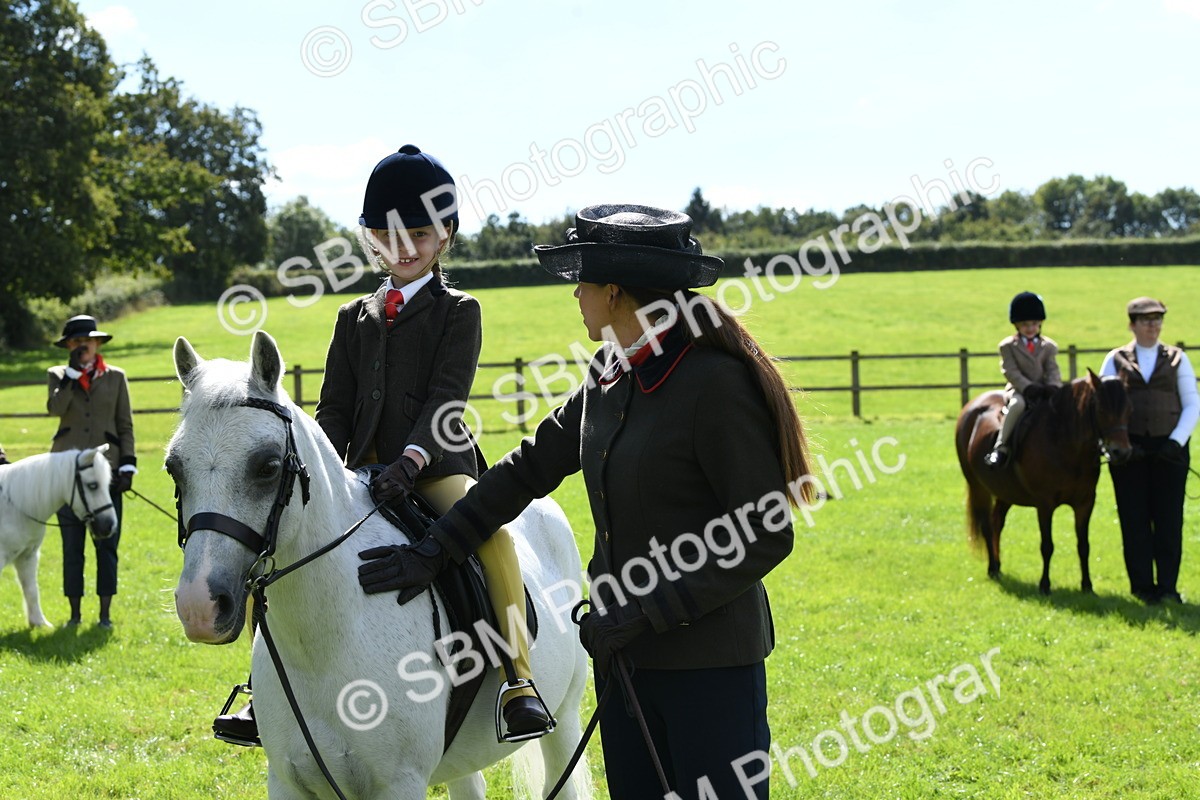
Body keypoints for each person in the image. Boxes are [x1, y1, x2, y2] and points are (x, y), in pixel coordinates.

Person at [357, 204, 813, 798]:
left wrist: (644, 611)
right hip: (625, 663)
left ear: (615, 293)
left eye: (583, 281)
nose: (576, 295)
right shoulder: (608, 374)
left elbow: (767, 532)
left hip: (710, 666)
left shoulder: (714, 384)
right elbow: (524, 470)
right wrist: (436, 548)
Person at [213, 144, 552, 746]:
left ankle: (518, 680)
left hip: (434, 468)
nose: (405, 247)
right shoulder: (352, 316)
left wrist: (412, 460)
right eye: (389, 234)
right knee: (278, 542)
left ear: (445, 235)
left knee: (494, 538)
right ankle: (261, 693)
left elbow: (447, 399)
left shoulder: (459, 312)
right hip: (360, 472)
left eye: (420, 233)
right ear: (370, 237)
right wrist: (331, 465)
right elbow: (335, 407)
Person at [1101, 297, 1198, 604]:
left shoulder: (1177, 359)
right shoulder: (1115, 360)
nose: (1153, 325)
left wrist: (1176, 441)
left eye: (1158, 319)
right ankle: (1142, 588)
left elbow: (1192, 403)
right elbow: (1104, 407)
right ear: (1132, 325)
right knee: (1134, 520)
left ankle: (1168, 588)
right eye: (1146, 320)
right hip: (1130, 453)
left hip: (1169, 451)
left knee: (1169, 521)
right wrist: (1119, 448)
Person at [46, 314, 137, 627]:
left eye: (88, 339)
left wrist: (127, 466)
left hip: (106, 473)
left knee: (106, 545)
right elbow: (55, 409)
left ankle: (105, 615)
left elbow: (125, 424)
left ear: (97, 343)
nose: (83, 345)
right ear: (69, 346)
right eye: (76, 341)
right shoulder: (58, 375)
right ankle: (74, 615)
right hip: (66, 474)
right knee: (72, 547)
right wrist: (72, 375)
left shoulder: (115, 377)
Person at [985, 291, 1063, 469]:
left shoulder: (1049, 346)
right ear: (1017, 325)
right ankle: (1001, 447)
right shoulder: (1007, 346)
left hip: (1044, 390)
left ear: (1040, 323)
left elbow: (1052, 369)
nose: (1030, 328)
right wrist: (1027, 387)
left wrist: (1053, 386)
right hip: (1020, 390)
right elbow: (1010, 370)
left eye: (1034, 324)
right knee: (1016, 406)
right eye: (1025, 324)